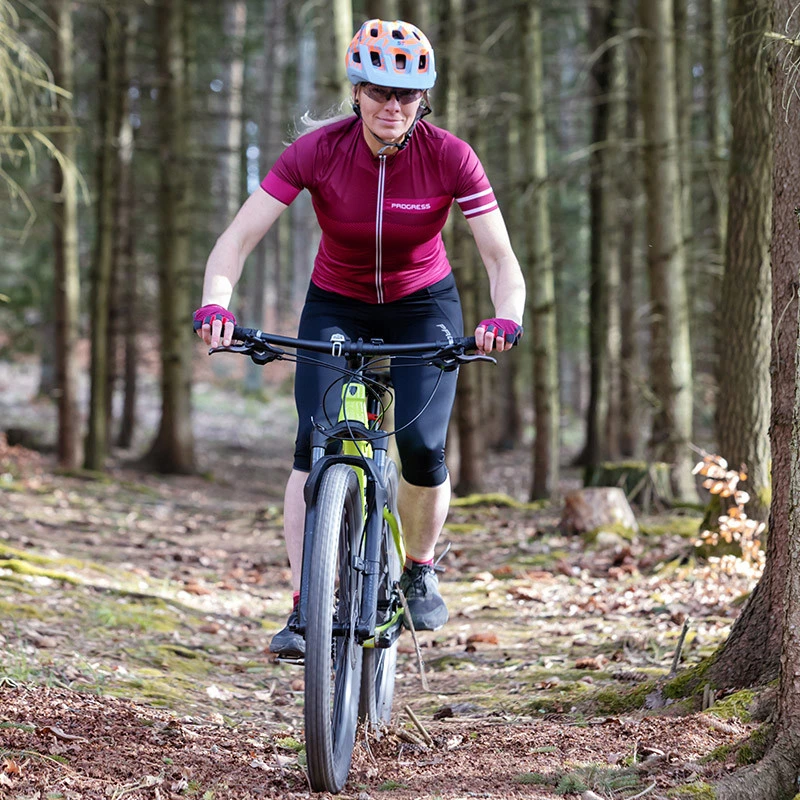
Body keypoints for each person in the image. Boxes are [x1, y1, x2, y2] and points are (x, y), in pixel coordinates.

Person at [194, 19, 526, 659]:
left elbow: (499, 258)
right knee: (310, 447)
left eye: (406, 94)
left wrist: (504, 317)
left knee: (421, 447)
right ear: (356, 92)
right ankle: (304, 604)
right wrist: (217, 303)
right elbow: (237, 239)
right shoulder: (316, 151)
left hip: (422, 305)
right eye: (378, 91)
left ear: (424, 98)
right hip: (337, 303)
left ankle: (419, 568)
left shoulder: (451, 156)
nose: (391, 106)